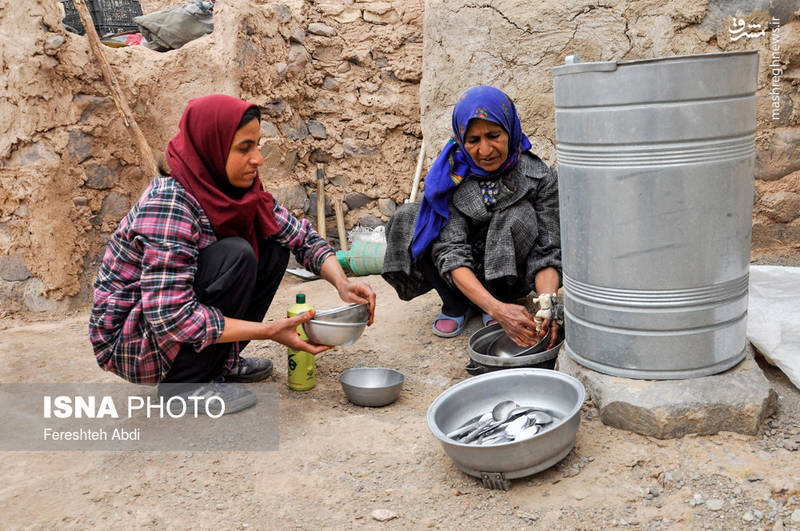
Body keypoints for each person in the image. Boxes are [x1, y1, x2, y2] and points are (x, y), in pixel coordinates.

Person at [89, 94, 376, 414]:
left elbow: (300, 237)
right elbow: (170, 316)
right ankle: (184, 385)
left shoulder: (239, 191)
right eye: (244, 148)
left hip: (165, 324)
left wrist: (341, 283)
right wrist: (268, 332)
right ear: (213, 147)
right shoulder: (171, 201)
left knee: (273, 246)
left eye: (257, 145)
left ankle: (219, 361)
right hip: (134, 340)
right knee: (236, 254)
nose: (258, 159)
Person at [382, 85, 560, 348]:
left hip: (509, 275)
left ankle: (497, 296)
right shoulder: (450, 176)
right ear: (461, 140)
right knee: (411, 217)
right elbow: (450, 251)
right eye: (473, 140)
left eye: (493, 135)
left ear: (510, 131)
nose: (485, 150)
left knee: (517, 213)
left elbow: (548, 249)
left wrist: (548, 304)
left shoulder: (539, 176)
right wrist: (498, 310)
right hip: (459, 273)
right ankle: (455, 303)